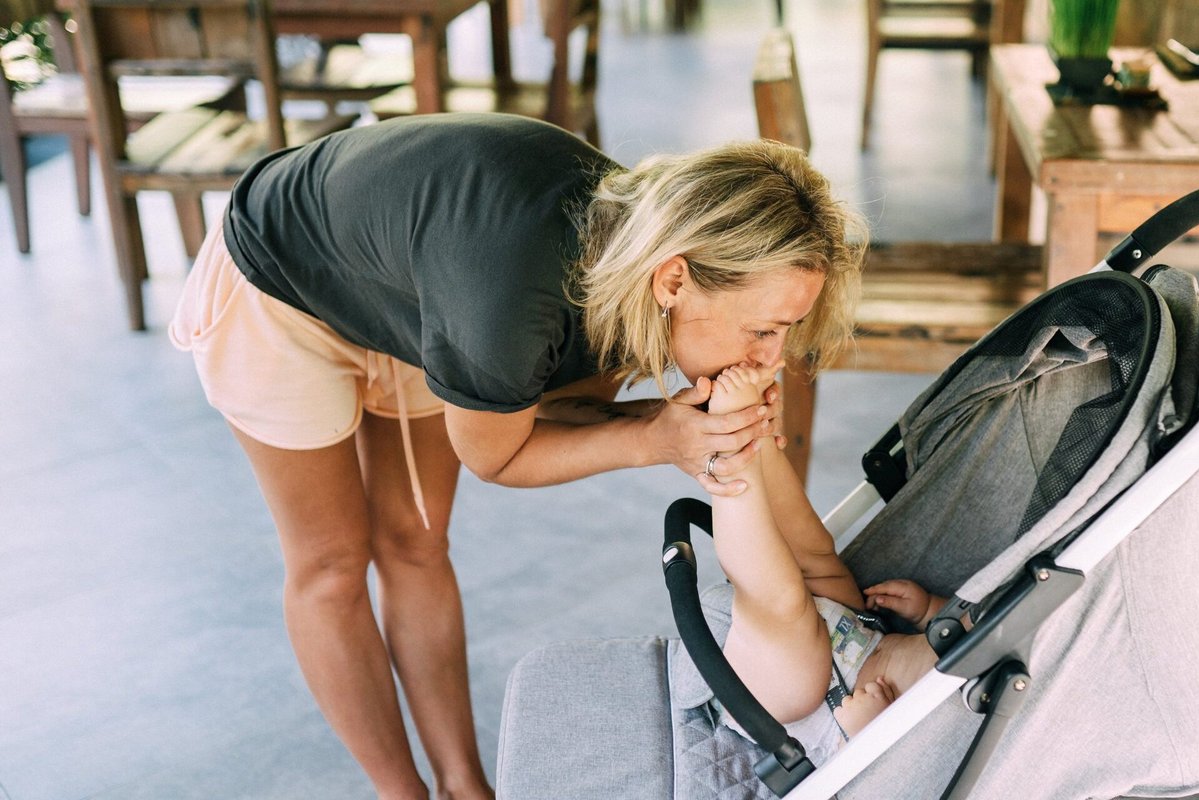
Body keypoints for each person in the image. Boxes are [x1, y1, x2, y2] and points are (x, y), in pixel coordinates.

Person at [167, 113, 866, 799]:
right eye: (762, 330)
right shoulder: (512, 297)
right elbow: (495, 455)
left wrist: (672, 420)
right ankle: (399, 792)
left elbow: (548, 406)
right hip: (282, 279)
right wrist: (658, 437)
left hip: (412, 293)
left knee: (415, 541)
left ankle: (465, 787)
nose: (772, 360)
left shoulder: (635, 267)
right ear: (675, 280)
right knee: (330, 565)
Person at [703, 361, 944, 763]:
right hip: (862, 635)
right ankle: (756, 435)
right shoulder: (1041, 638)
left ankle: (732, 458)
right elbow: (969, 618)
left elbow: (919, 779)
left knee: (781, 603)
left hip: (812, 708)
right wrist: (929, 611)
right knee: (817, 555)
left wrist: (868, 739)